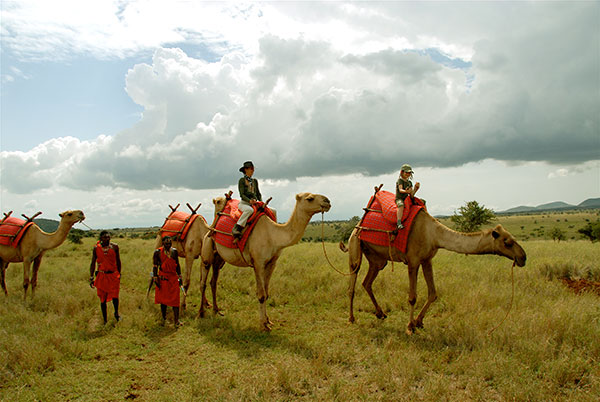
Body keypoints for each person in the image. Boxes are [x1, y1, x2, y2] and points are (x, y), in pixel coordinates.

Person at [232, 161, 276, 238]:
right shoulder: (242, 180)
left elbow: (258, 193)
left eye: (253, 169)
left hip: (255, 203)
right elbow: (242, 195)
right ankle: (237, 228)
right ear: (246, 169)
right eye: (251, 169)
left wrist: (261, 202)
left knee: (273, 210)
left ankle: (274, 227)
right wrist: (249, 201)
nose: (253, 170)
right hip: (244, 203)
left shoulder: (254, 181)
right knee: (249, 210)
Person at [89, 230, 121, 324]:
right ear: (101, 238)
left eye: (108, 237)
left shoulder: (115, 247)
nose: (107, 239)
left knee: (115, 296)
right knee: (102, 299)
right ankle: (105, 319)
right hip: (102, 276)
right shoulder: (96, 248)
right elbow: (93, 263)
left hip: (113, 275)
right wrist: (91, 277)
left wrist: (119, 274)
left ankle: (116, 313)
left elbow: (118, 261)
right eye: (105, 237)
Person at [152, 236, 183, 326]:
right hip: (163, 279)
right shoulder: (157, 252)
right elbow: (155, 266)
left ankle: (176, 321)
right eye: (166, 243)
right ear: (163, 243)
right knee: (163, 300)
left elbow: (177, 265)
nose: (168, 245)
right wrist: (155, 278)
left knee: (175, 300)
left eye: (169, 243)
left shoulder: (174, 252)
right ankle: (164, 318)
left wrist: (180, 277)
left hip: (173, 279)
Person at [395, 164, 420, 229]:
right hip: (400, 198)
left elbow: (411, 194)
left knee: (420, 202)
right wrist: (406, 191)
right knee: (401, 205)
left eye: (409, 173)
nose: (408, 174)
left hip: (407, 199)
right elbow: (400, 190)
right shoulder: (400, 180)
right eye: (406, 172)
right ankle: (399, 222)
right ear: (402, 172)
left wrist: (415, 188)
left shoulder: (409, 183)